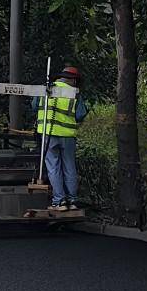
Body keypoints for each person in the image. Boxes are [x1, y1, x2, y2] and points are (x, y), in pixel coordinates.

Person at [37, 65, 87, 212]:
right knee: (70, 167)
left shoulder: (46, 89)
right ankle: (72, 200)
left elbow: (35, 106)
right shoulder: (75, 94)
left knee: (53, 167)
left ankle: (59, 202)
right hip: (68, 137)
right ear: (74, 80)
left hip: (48, 135)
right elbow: (80, 115)